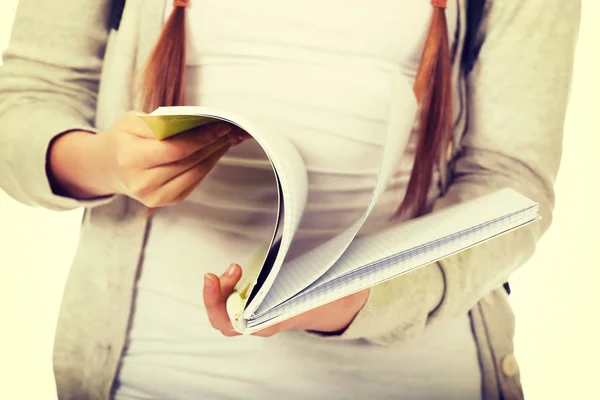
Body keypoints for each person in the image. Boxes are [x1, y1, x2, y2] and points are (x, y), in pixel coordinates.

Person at [0, 0, 580, 399]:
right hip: (154, 373)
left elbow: (513, 183)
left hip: (421, 377)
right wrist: (105, 162)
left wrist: (366, 297)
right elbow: (26, 99)